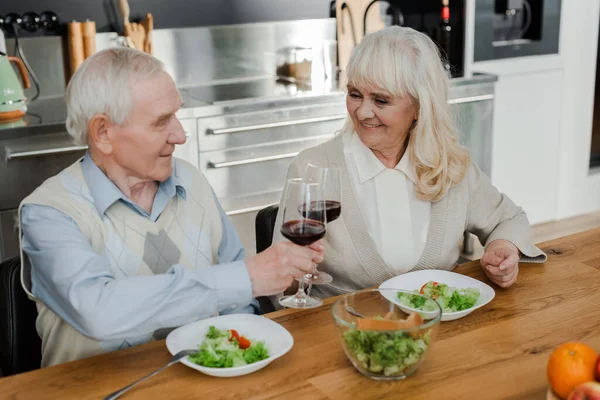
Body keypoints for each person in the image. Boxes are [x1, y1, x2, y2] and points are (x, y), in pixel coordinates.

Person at [18, 47, 324, 367]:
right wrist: (245, 277)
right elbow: (97, 311)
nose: (180, 135)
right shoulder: (49, 212)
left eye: (177, 115)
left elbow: (240, 304)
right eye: (161, 121)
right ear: (103, 133)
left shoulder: (190, 181)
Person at [271, 26, 546, 301]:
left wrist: (503, 247)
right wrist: (291, 277)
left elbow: (509, 218)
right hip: (342, 330)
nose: (363, 112)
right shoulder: (312, 166)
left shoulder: (448, 164)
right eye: (355, 94)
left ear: (419, 106)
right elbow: (281, 285)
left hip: (441, 330)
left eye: (381, 100)